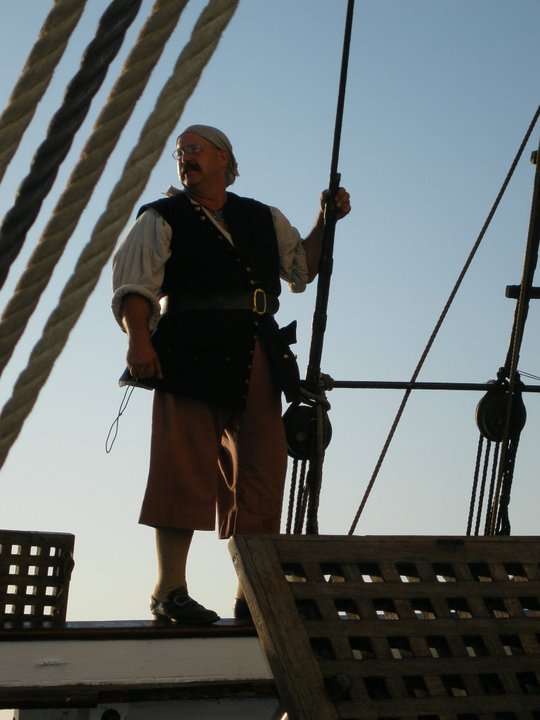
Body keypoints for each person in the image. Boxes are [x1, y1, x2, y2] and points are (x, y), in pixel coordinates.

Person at [112, 124, 351, 625]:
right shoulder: (161, 217)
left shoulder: (262, 217)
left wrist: (326, 220)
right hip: (186, 354)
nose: (185, 157)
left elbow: (303, 267)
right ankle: (169, 591)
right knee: (182, 470)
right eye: (180, 152)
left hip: (256, 354)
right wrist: (139, 340)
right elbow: (136, 284)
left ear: (223, 158)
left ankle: (255, 594)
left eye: (194, 149)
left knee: (263, 473)